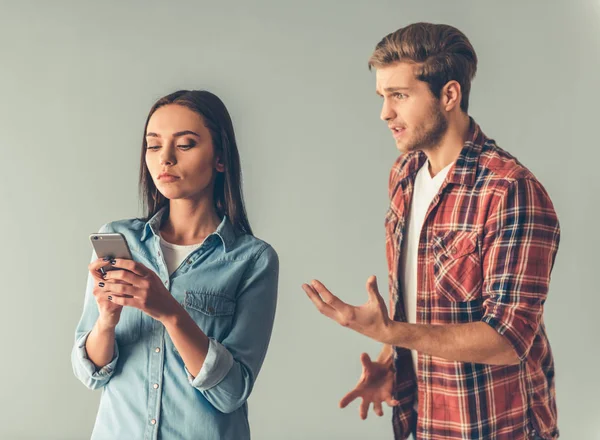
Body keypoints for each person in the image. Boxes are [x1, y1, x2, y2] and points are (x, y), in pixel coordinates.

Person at [303, 23, 559, 440]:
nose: (385, 112)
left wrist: (391, 333)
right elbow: (424, 299)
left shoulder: (509, 190)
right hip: (423, 418)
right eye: (382, 97)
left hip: (492, 425)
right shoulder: (404, 175)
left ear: (449, 95)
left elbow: (508, 339)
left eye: (399, 96)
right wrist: (390, 359)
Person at [72, 90, 279, 440]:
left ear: (221, 158)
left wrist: (170, 312)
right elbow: (91, 373)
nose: (165, 159)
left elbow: (232, 392)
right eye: (153, 146)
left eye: (184, 144)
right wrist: (106, 320)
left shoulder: (253, 259)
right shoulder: (120, 239)